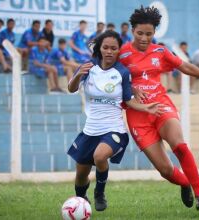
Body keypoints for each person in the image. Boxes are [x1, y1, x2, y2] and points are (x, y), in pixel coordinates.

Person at [119, 6, 199, 211]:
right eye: (140, 33)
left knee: (179, 145)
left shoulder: (160, 51)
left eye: (149, 34)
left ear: (155, 33)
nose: (144, 38)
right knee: (164, 169)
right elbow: (111, 77)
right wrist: (131, 87)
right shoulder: (122, 53)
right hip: (138, 116)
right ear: (132, 30)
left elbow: (187, 67)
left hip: (161, 106)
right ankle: (184, 183)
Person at [67, 30, 164, 211]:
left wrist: (145, 107)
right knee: (81, 175)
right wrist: (79, 74)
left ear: (119, 50)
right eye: (106, 47)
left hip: (114, 129)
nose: (109, 51)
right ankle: (80, 203)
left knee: (100, 156)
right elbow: (71, 89)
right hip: (90, 130)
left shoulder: (122, 72)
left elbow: (128, 100)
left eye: (114, 48)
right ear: (99, 48)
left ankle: (99, 193)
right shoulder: (88, 67)